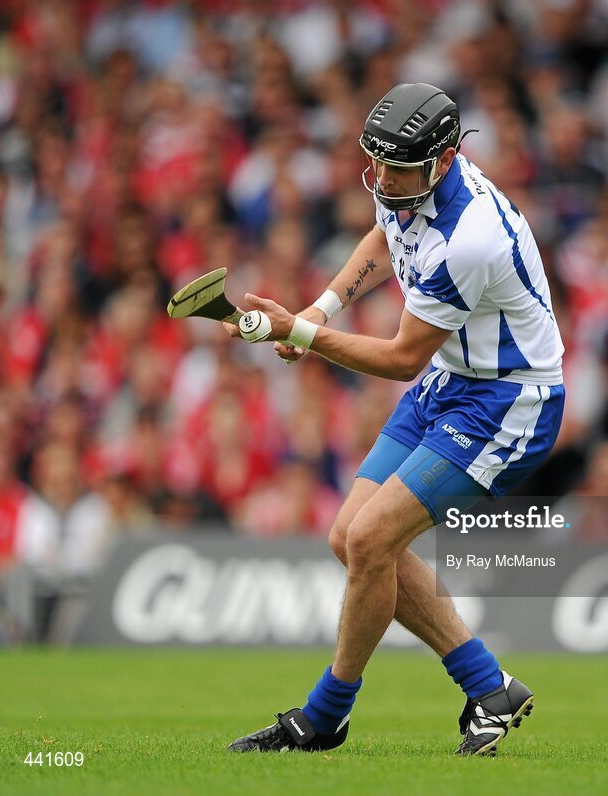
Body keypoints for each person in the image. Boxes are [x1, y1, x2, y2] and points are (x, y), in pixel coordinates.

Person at [224, 83, 565, 756]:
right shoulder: (407, 179)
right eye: (375, 164)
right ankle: (489, 686)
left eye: (395, 169)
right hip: (454, 381)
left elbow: (404, 357)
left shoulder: (471, 238)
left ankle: (324, 718)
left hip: (510, 400)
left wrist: (304, 335)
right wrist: (318, 311)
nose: (381, 180)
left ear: (441, 161)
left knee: (373, 538)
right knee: (349, 538)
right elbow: (384, 239)